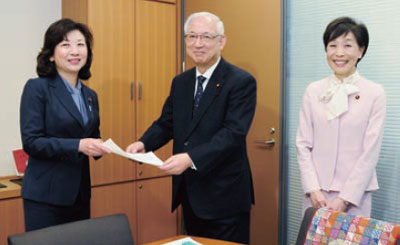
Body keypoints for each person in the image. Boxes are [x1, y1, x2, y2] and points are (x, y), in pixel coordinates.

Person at [126, 12, 256, 244]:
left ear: (221, 41)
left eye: (206, 36)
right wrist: (143, 143)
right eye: (192, 36)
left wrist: (190, 158)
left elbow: (232, 134)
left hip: (225, 194)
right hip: (190, 192)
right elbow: (166, 123)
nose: (198, 43)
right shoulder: (181, 82)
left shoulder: (241, 82)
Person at [19, 19, 110, 231]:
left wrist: (102, 147)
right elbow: (32, 142)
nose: (75, 51)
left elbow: (92, 136)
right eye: (65, 44)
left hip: (79, 195)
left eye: (80, 44)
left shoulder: (90, 95)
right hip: (46, 197)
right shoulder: (37, 88)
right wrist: (78, 145)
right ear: (51, 54)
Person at [296, 17, 386, 217]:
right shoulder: (313, 90)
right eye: (332, 45)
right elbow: (303, 144)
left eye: (347, 45)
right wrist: (313, 189)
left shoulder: (374, 93)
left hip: (355, 196)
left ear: (361, 50)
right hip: (316, 196)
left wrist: (345, 198)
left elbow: (370, 152)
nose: (339, 53)